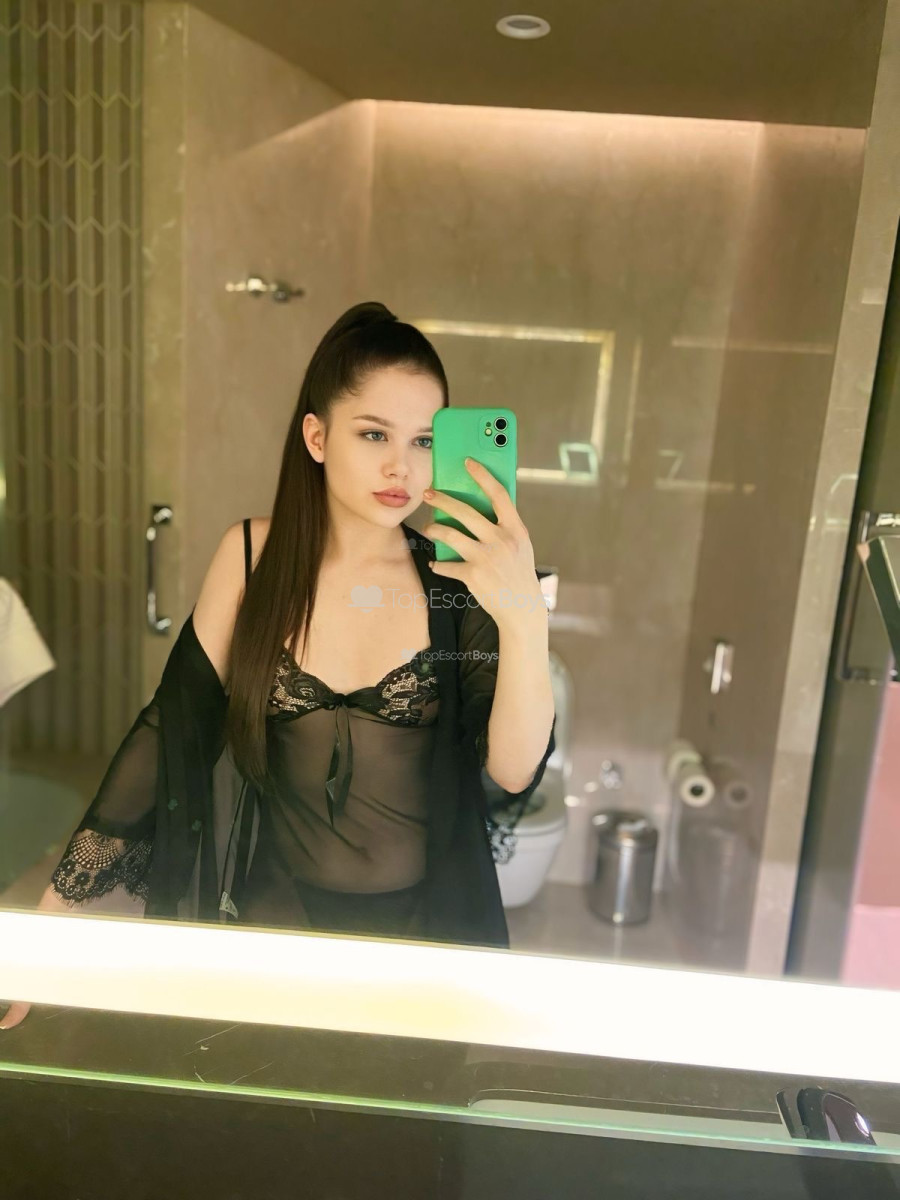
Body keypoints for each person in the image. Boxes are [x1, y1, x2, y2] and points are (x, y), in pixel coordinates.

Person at [0, 301, 556, 1030]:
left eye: (424, 440)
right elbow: (171, 727)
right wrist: (52, 923)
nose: (401, 465)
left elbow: (511, 771)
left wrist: (523, 617)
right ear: (317, 437)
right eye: (374, 434)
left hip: (419, 942)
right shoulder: (250, 557)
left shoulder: (458, 585)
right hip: (272, 925)